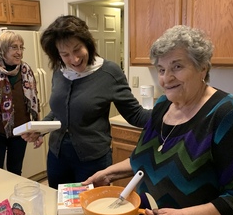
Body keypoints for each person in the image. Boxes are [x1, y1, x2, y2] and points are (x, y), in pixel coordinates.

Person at [82, 25, 233, 215]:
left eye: (177, 66)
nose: (166, 78)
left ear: (202, 68)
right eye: (161, 69)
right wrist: (109, 172)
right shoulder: (162, 106)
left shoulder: (226, 114)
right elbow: (145, 159)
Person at [40, 15, 151, 189]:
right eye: (65, 54)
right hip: (57, 156)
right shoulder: (59, 71)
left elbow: (135, 115)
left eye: (77, 50)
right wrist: (40, 128)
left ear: (88, 44)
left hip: (92, 160)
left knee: (91, 210)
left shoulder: (109, 72)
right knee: (58, 207)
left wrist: (170, 113)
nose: (74, 59)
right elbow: (59, 110)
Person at [0, 31, 42, 175]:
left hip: (20, 132)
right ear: (2, 50)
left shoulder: (26, 72)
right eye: (14, 47)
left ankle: (12, 198)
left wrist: (38, 131)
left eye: (21, 47)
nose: (19, 52)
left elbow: (35, 102)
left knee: (16, 172)